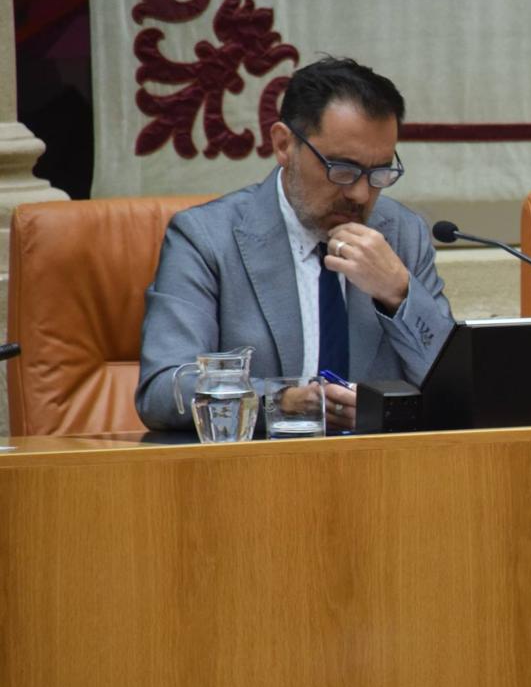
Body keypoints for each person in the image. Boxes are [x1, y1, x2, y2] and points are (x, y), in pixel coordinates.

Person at [136, 57, 452, 434]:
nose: (361, 193)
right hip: (260, 473)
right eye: (342, 170)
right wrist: (279, 402)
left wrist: (399, 294)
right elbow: (162, 390)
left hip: (377, 472)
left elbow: (454, 388)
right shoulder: (206, 238)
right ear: (284, 145)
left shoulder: (402, 234)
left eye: (380, 173)